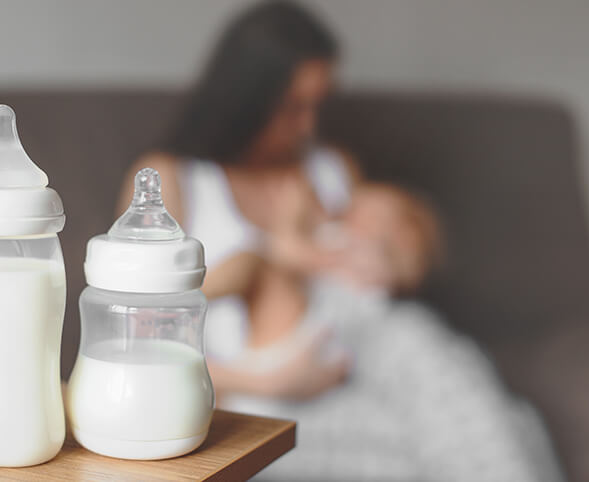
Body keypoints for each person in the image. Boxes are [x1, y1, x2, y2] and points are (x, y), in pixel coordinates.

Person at [117, 1, 561, 480]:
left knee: (473, 401)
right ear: (246, 97)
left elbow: (392, 263)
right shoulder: (171, 179)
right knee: (500, 430)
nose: (307, 125)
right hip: (250, 390)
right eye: (292, 106)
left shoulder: (330, 169)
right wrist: (270, 379)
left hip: (359, 361)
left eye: (317, 104)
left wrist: (382, 262)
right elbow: (133, 339)